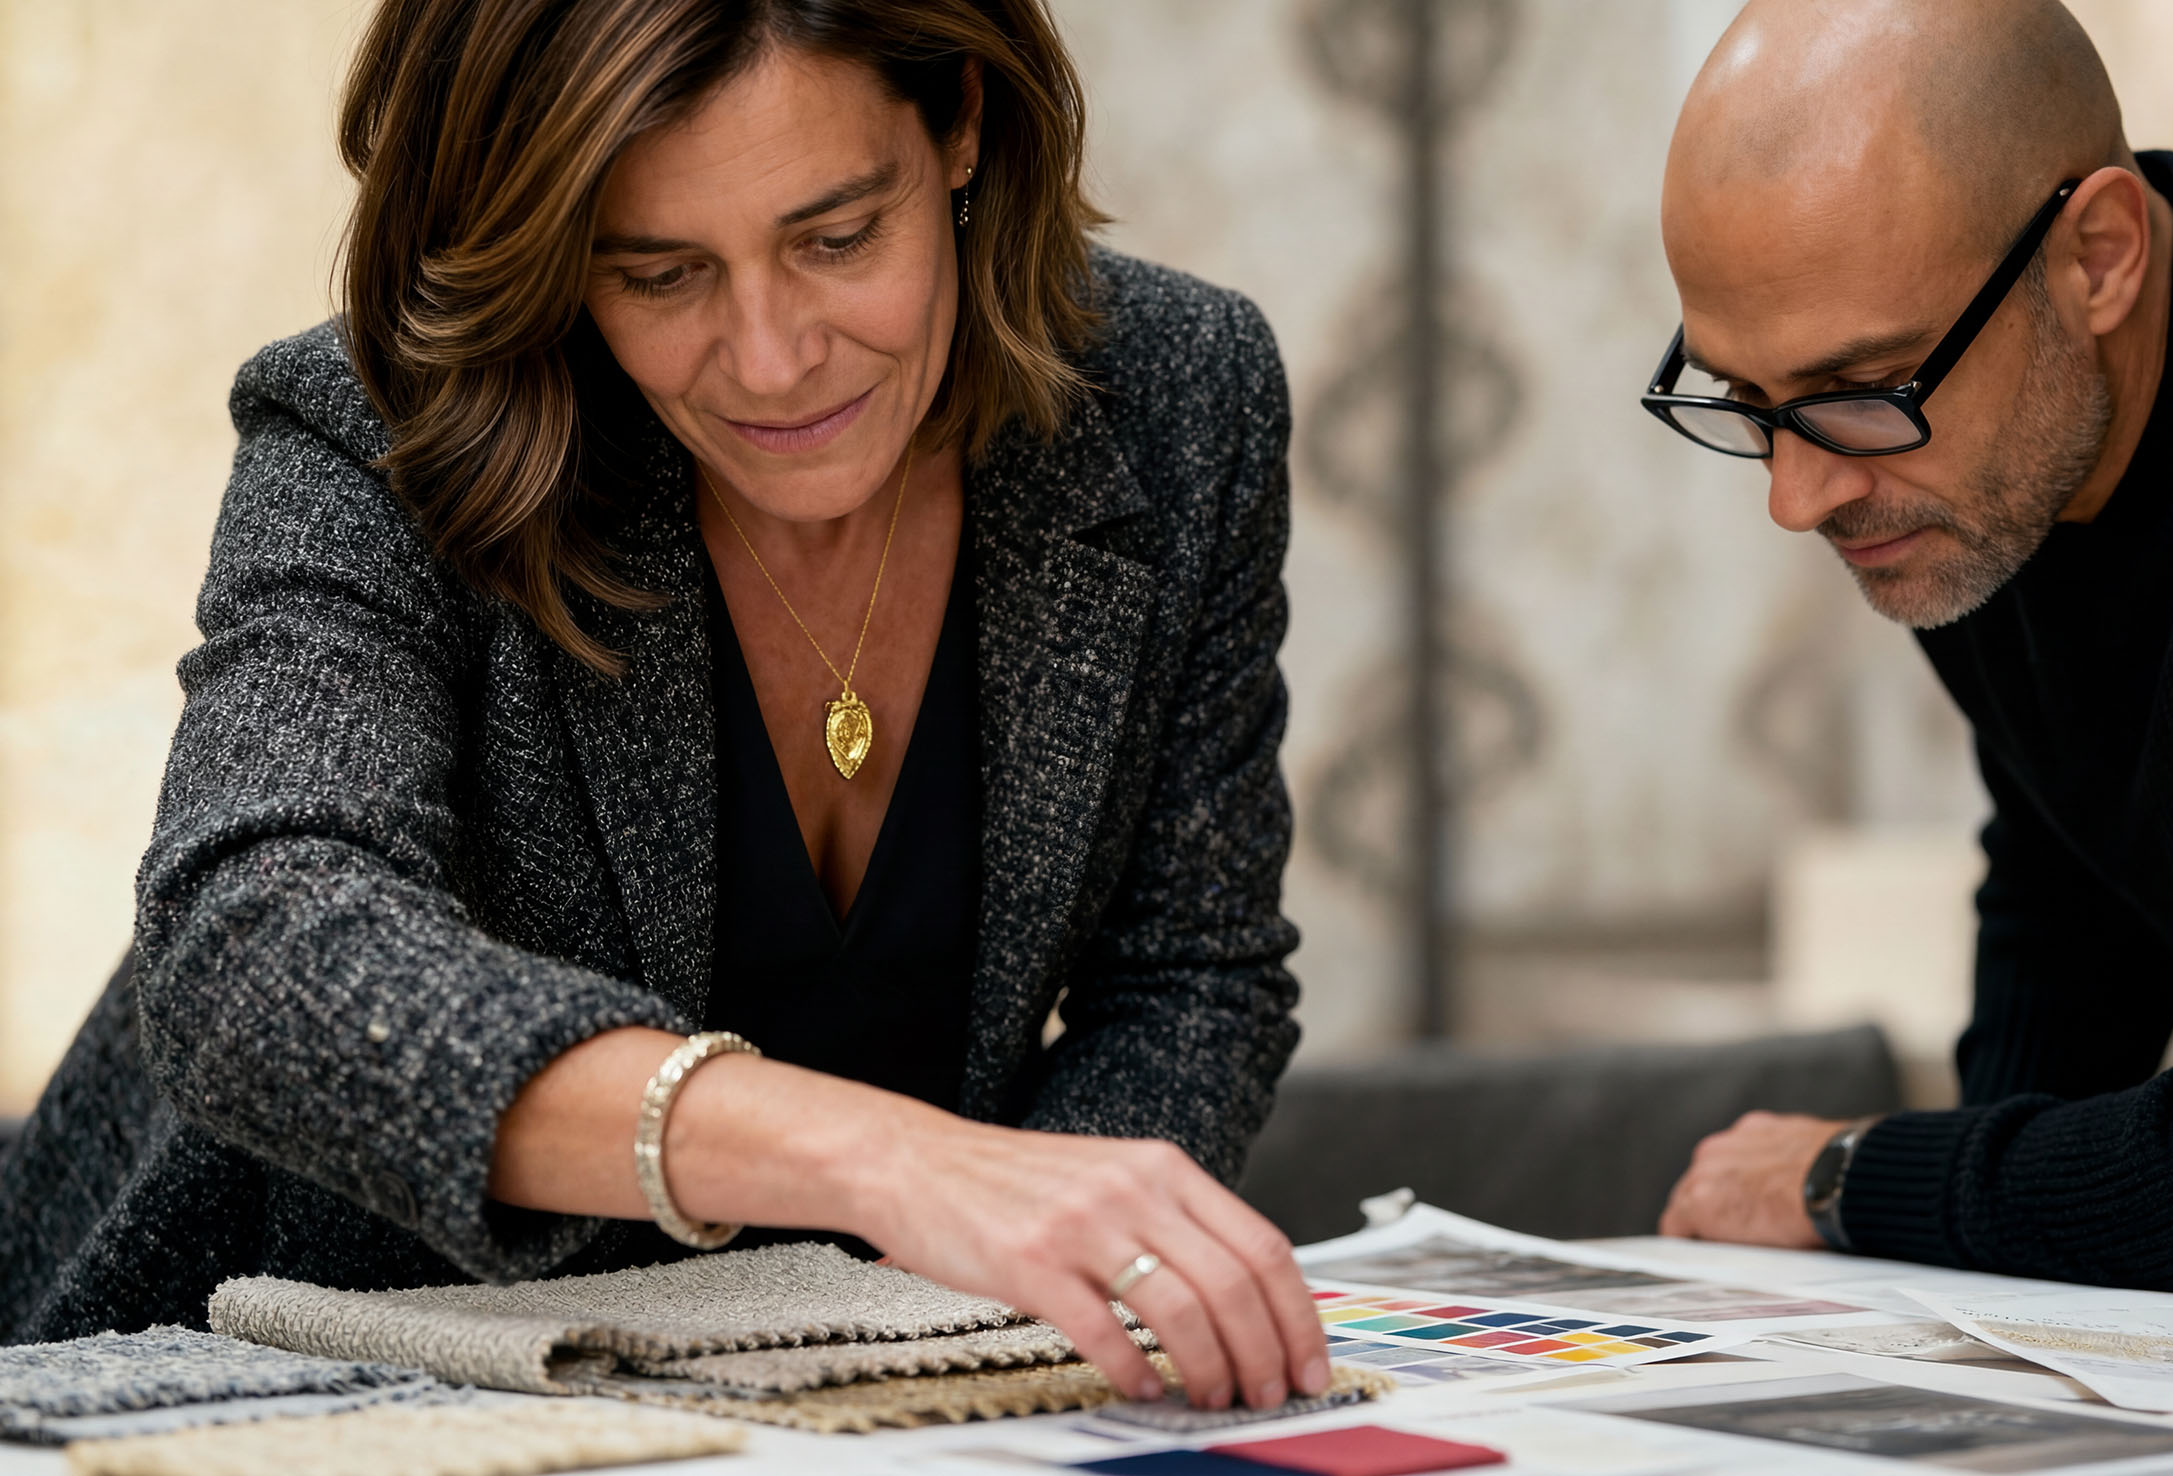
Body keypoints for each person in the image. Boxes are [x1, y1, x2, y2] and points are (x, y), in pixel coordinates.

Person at [0, 0, 1333, 1410]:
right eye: (659, 273)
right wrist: (882, 1160)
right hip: (265, 1381)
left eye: (837, 239)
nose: (768, 357)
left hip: (861, 1407)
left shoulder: (1180, 395)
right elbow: (252, 955)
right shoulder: (389, 424)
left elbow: (1190, 980)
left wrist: (977, 1325)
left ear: (963, 129)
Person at [1647, 0, 2173, 1293]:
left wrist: (1865, 1176)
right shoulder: (2010, 464)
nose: (1798, 496)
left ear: (2101, 257)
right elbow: (2075, 900)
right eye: (1745, 400)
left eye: (1858, 392)